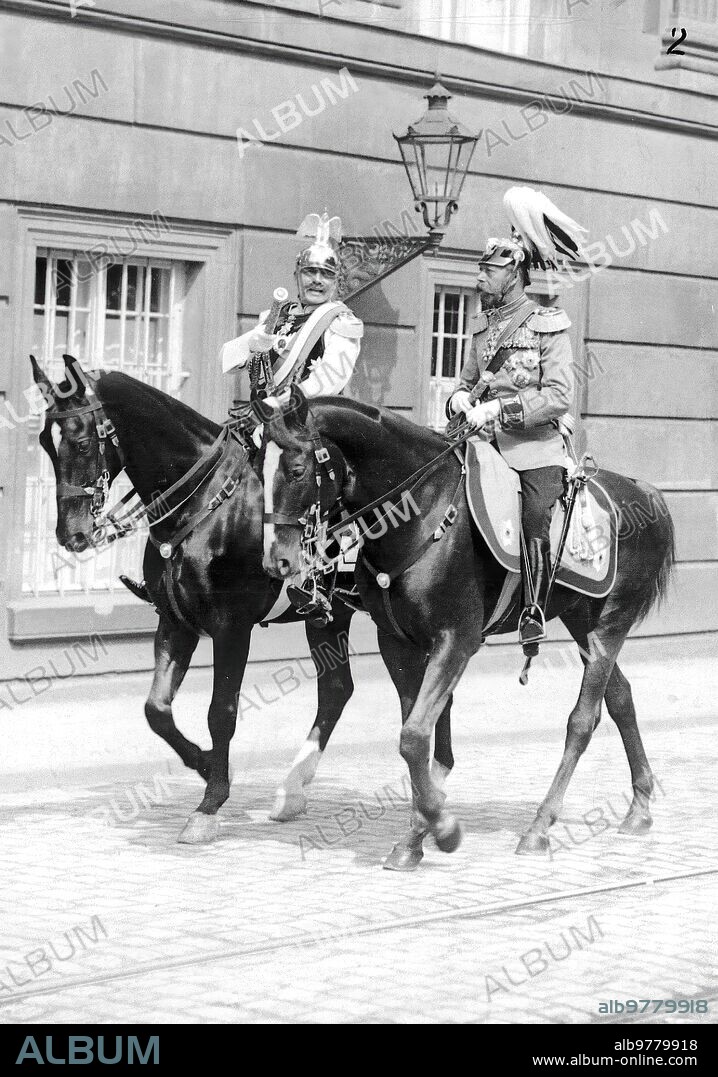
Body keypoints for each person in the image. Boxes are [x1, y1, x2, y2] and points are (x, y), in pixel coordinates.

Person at [120, 212, 363, 613]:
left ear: (336, 281)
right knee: (197, 469)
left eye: (326, 274)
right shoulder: (280, 315)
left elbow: (331, 377)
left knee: (312, 487)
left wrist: (282, 403)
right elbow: (228, 359)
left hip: (310, 424)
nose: (317, 281)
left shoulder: (340, 322)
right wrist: (256, 343)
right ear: (298, 275)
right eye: (310, 272)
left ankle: (316, 580)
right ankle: (169, 569)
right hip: (259, 420)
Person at [447, 186, 587, 653]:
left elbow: (559, 396)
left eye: (488, 270)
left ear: (513, 273)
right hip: (479, 443)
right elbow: (466, 381)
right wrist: (460, 400)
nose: (480, 277)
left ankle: (532, 608)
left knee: (534, 516)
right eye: (481, 269)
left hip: (534, 449)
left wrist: (500, 409)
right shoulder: (483, 326)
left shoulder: (548, 324)